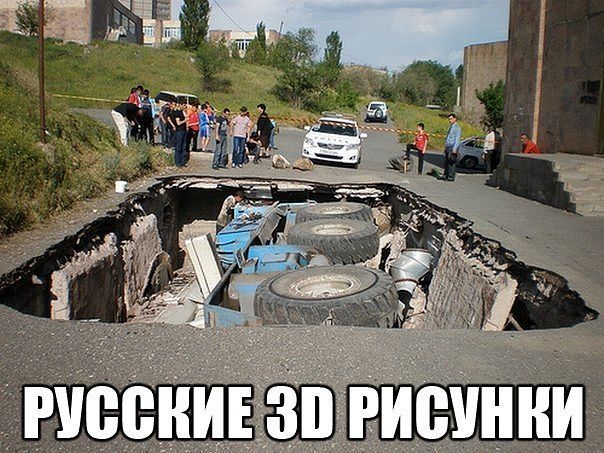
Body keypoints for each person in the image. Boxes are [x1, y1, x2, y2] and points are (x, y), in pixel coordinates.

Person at [443, 113, 462, 181]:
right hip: (448, 146)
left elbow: (457, 139)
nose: (450, 120)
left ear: (455, 119)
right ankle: (446, 175)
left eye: (451, 119)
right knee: (446, 162)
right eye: (449, 119)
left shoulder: (457, 128)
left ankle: (451, 176)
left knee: (451, 162)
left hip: (452, 146)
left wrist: (454, 149)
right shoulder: (451, 126)